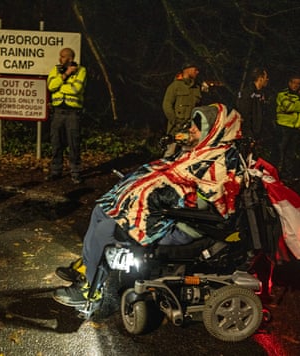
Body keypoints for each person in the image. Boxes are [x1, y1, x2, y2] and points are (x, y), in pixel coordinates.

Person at [53, 103, 245, 306]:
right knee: (101, 209)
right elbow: (174, 174)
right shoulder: (204, 151)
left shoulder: (221, 161)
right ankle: (86, 266)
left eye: (197, 126)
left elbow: (204, 202)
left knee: (105, 229)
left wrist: (156, 195)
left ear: (213, 130)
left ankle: (90, 291)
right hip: (168, 213)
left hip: (183, 223)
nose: (191, 129)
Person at [46, 48, 87, 184]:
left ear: (70, 58)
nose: (60, 59)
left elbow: (76, 90)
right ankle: (56, 171)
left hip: (72, 113)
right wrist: (65, 76)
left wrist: (60, 86)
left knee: (73, 143)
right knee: (56, 142)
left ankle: (75, 172)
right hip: (57, 112)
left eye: (63, 57)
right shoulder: (56, 70)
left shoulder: (81, 70)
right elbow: (51, 86)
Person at [162, 63, 202, 157]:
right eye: (195, 69)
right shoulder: (175, 86)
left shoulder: (197, 88)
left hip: (191, 129)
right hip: (176, 129)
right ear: (187, 69)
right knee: (170, 153)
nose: (197, 72)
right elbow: (166, 105)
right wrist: (175, 121)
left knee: (189, 154)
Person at [272, 73, 300, 180]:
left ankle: (287, 175)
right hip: (283, 127)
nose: (296, 85)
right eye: (294, 83)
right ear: (289, 83)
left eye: (298, 84)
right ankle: (275, 174)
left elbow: (292, 107)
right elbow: (288, 107)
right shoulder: (283, 94)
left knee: (290, 153)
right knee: (280, 152)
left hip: (295, 128)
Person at [236, 67, 270, 141]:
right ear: (260, 78)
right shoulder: (247, 93)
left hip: (257, 132)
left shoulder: (261, 93)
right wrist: (249, 134)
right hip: (248, 133)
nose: (267, 80)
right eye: (266, 77)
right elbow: (244, 114)